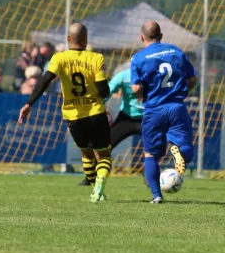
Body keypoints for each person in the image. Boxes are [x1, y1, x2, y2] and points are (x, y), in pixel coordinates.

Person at [18, 23, 112, 203]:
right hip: (95, 113)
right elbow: (103, 90)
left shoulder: (59, 58)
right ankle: (99, 185)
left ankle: (95, 192)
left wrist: (29, 103)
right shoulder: (96, 58)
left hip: (73, 116)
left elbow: (45, 80)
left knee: (86, 154)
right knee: (104, 155)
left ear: (69, 39)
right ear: (86, 40)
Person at [130, 21, 198, 204]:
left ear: (142, 37)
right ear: (160, 36)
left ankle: (157, 196)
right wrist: (182, 92)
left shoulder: (138, 58)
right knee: (186, 148)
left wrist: (142, 94)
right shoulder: (176, 52)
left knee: (151, 154)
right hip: (176, 106)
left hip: (153, 110)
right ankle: (177, 151)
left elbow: (136, 89)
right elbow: (192, 79)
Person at [78, 62, 144, 186]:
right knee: (104, 146)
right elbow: (107, 92)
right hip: (126, 119)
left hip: (149, 118)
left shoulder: (153, 75)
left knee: (154, 150)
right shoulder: (123, 76)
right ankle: (90, 178)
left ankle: (152, 179)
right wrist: (95, 105)